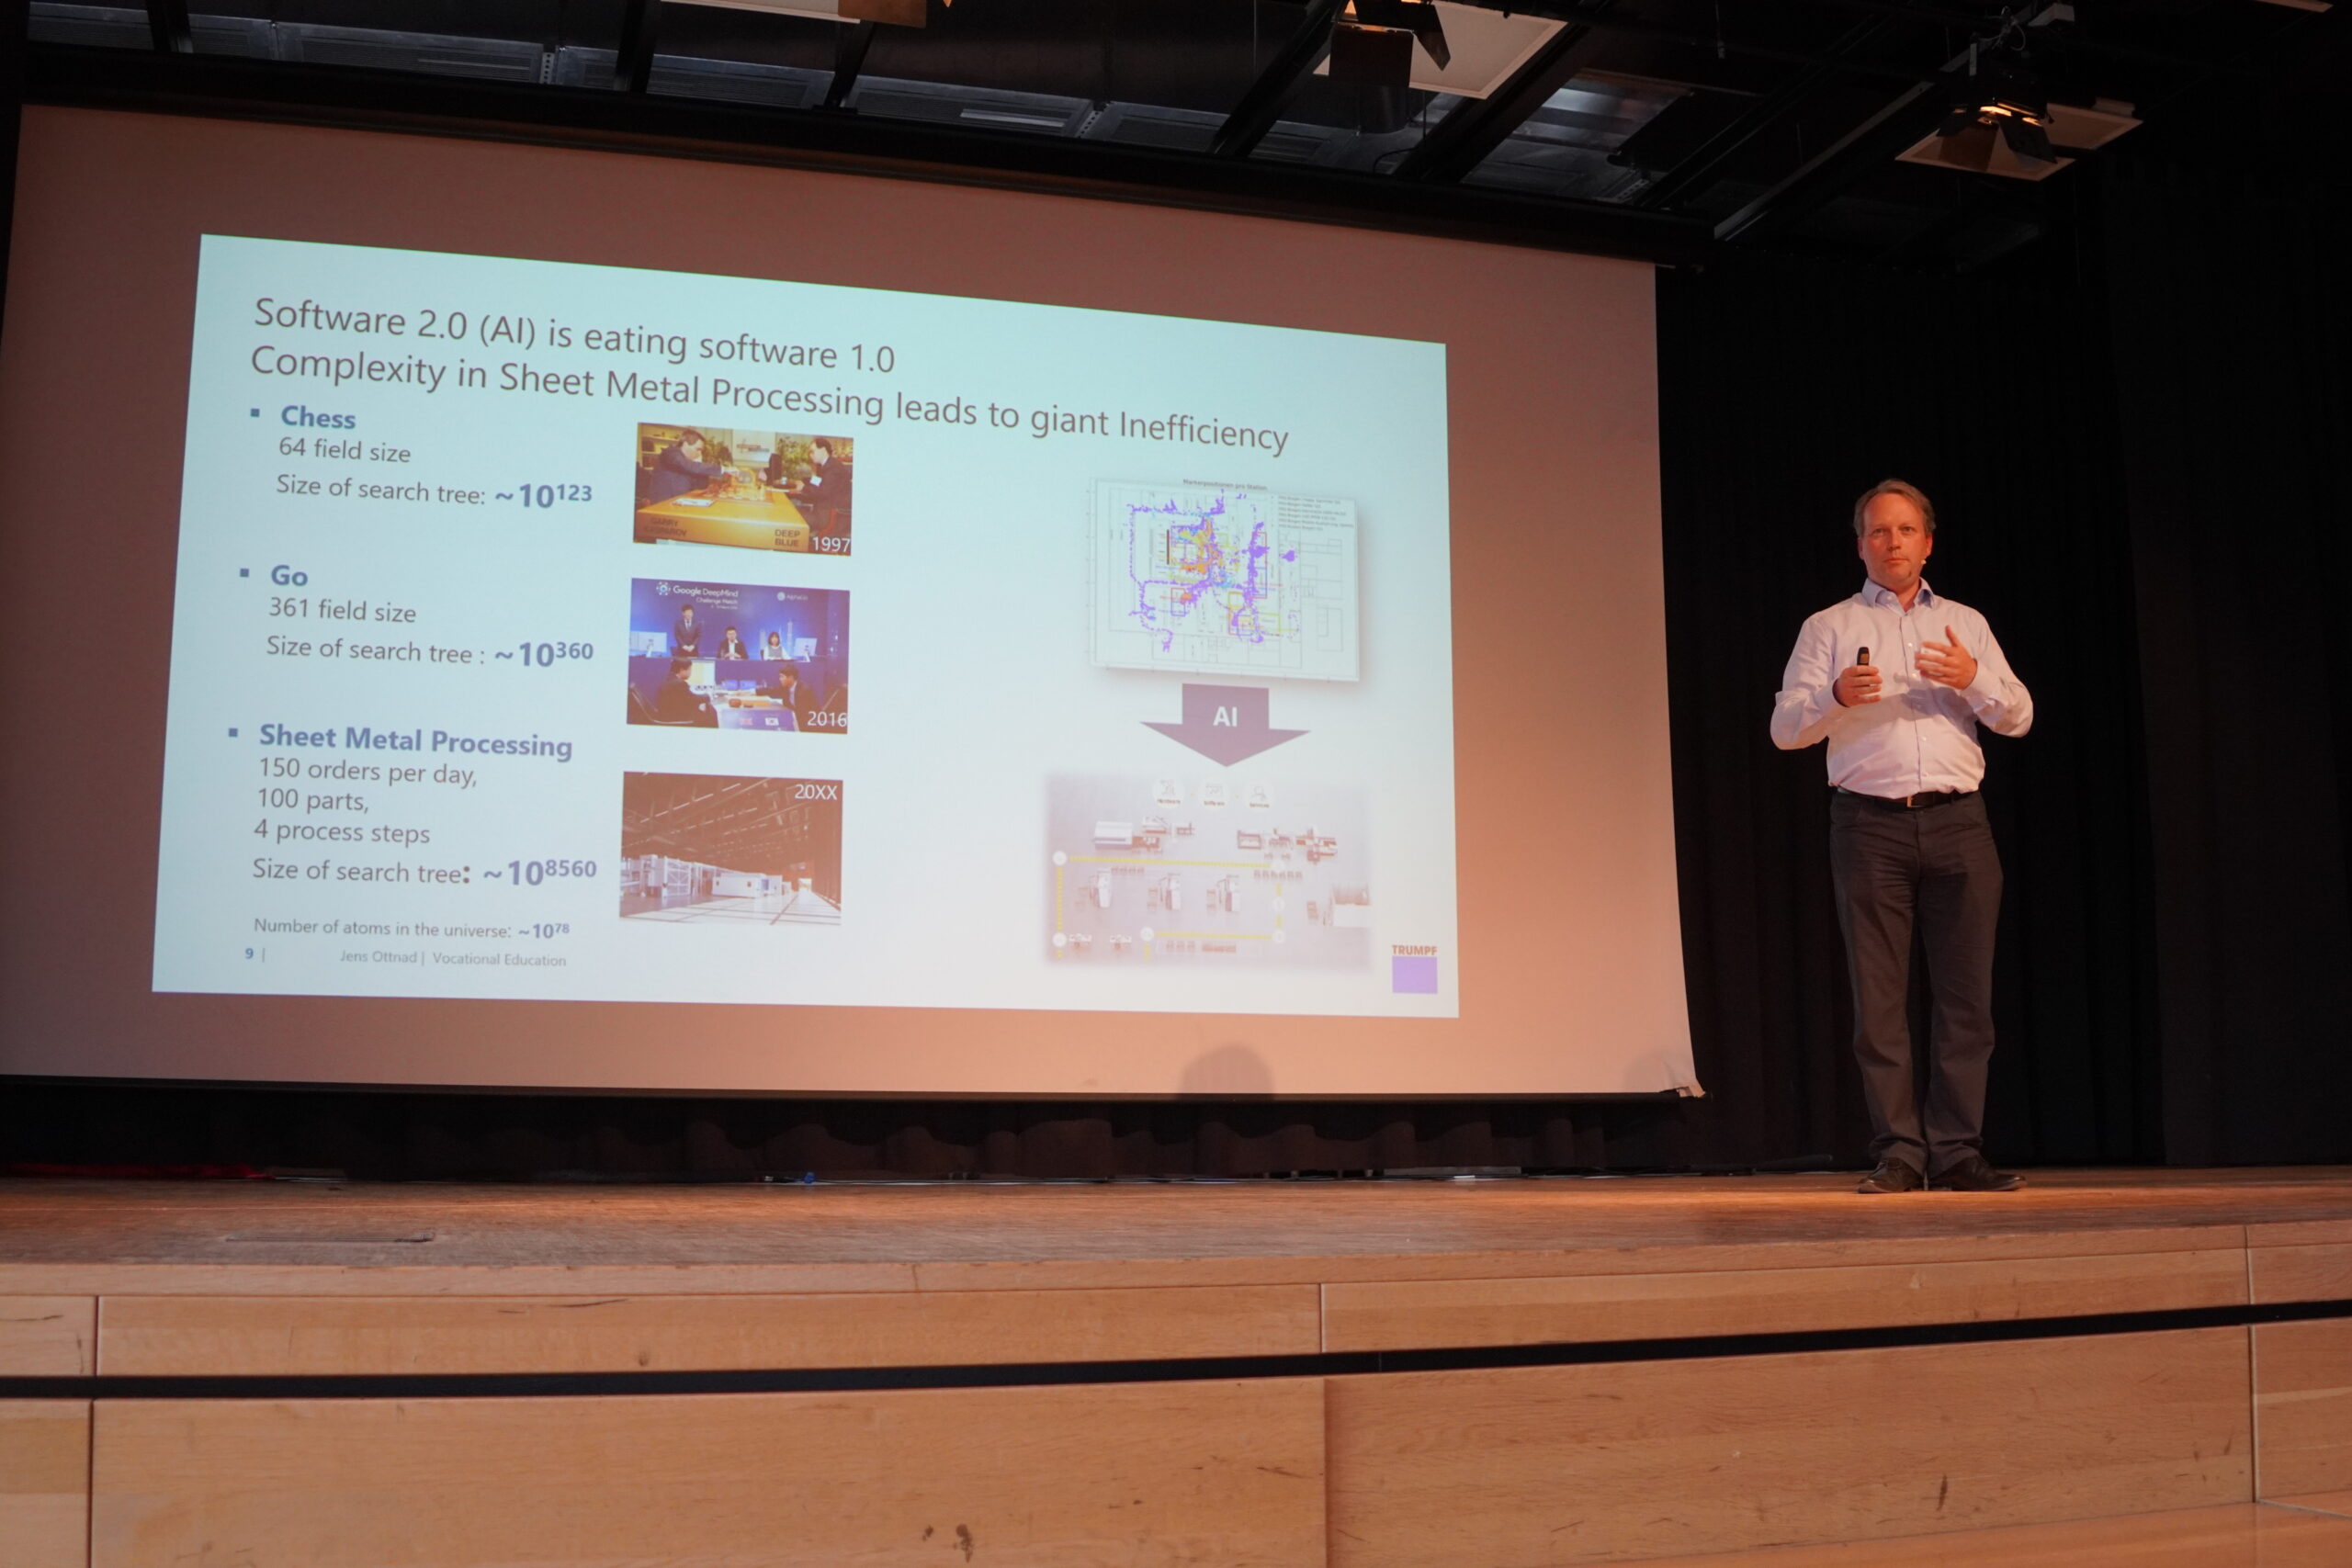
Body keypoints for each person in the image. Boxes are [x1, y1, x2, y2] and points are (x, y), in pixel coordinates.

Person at [1770, 479, 2033, 1196]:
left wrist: (1974, 678)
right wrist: (1835, 696)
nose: (1893, 543)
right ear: (1861, 546)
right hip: (1869, 827)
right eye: (1879, 532)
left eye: (1906, 530)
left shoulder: (1967, 623)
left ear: (1928, 543)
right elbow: (1785, 729)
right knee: (1880, 1002)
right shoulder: (1828, 626)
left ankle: (1957, 1150)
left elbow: (2019, 716)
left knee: (1966, 1000)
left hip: (1959, 823)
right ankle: (1899, 1152)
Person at [645, 430, 721, 503]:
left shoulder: (689, 464)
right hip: (662, 504)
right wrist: (721, 469)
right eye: (698, 449)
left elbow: (701, 486)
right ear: (686, 444)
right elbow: (683, 464)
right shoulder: (670, 453)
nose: (699, 453)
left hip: (680, 502)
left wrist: (699, 463)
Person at [758, 663, 818, 731]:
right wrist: (753, 691)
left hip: (807, 726)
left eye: (782, 677)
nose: (780, 679)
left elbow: (802, 714)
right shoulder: (786, 688)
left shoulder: (804, 691)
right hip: (796, 722)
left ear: (790, 678)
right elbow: (771, 690)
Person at [654, 658, 712, 727]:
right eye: (689, 669)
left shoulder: (670, 678)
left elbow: (687, 699)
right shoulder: (679, 684)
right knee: (707, 717)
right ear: (682, 670)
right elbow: (692, 700)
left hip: (668, 716)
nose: (690, 672)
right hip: (675, 719)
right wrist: (708, 695)